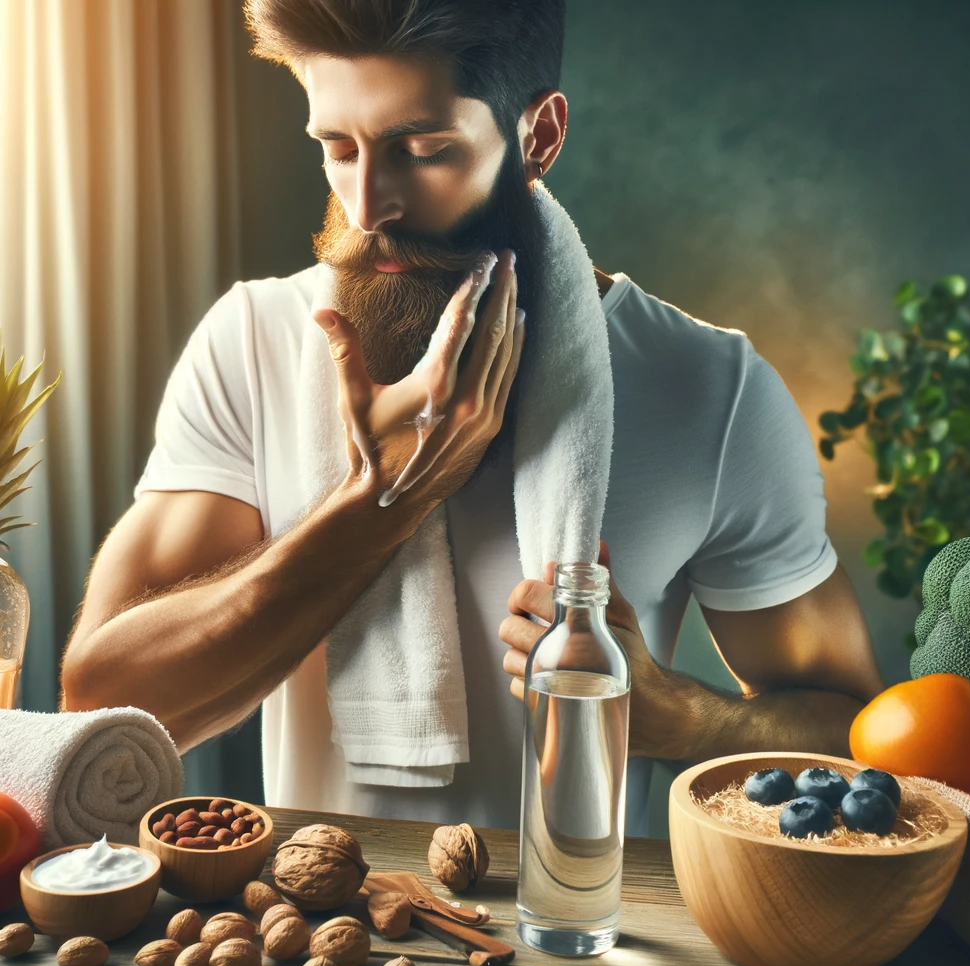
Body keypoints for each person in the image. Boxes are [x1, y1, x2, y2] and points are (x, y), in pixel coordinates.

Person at [61, 0, 884, 834]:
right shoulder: (253, 342)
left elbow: (857, 739)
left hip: (588, 941)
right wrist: (383, 503)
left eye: (422, 151)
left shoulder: (709, 385)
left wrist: (682, 716)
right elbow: (102, 703)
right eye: (337, 148)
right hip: (311, 940)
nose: (367, 203)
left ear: (540, 136)